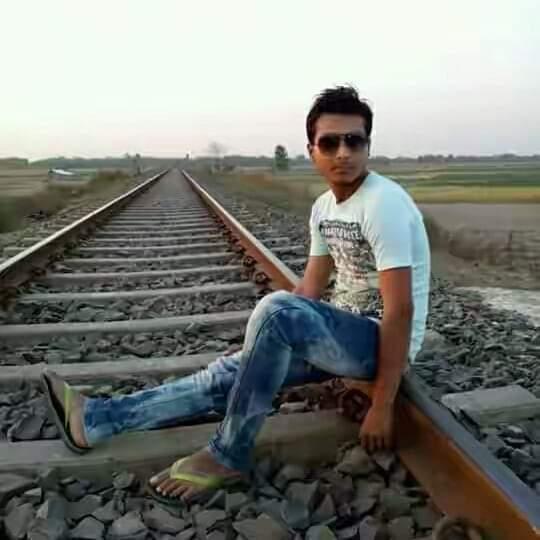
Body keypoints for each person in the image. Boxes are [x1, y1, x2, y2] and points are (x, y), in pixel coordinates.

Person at [42, 85, 431, 504]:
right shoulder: (324, 207)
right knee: (227, 372)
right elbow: (309, 290)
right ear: (311, 150)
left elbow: (400, 310)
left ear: (368, 146)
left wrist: (382, 404)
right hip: (340, 338)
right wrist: (257, 347)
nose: (343, 152)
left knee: (275, 310)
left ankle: (228, 453)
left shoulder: (383, 204)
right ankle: (97, 420)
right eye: (330, 142)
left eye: (354, 141)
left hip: (379, 343)